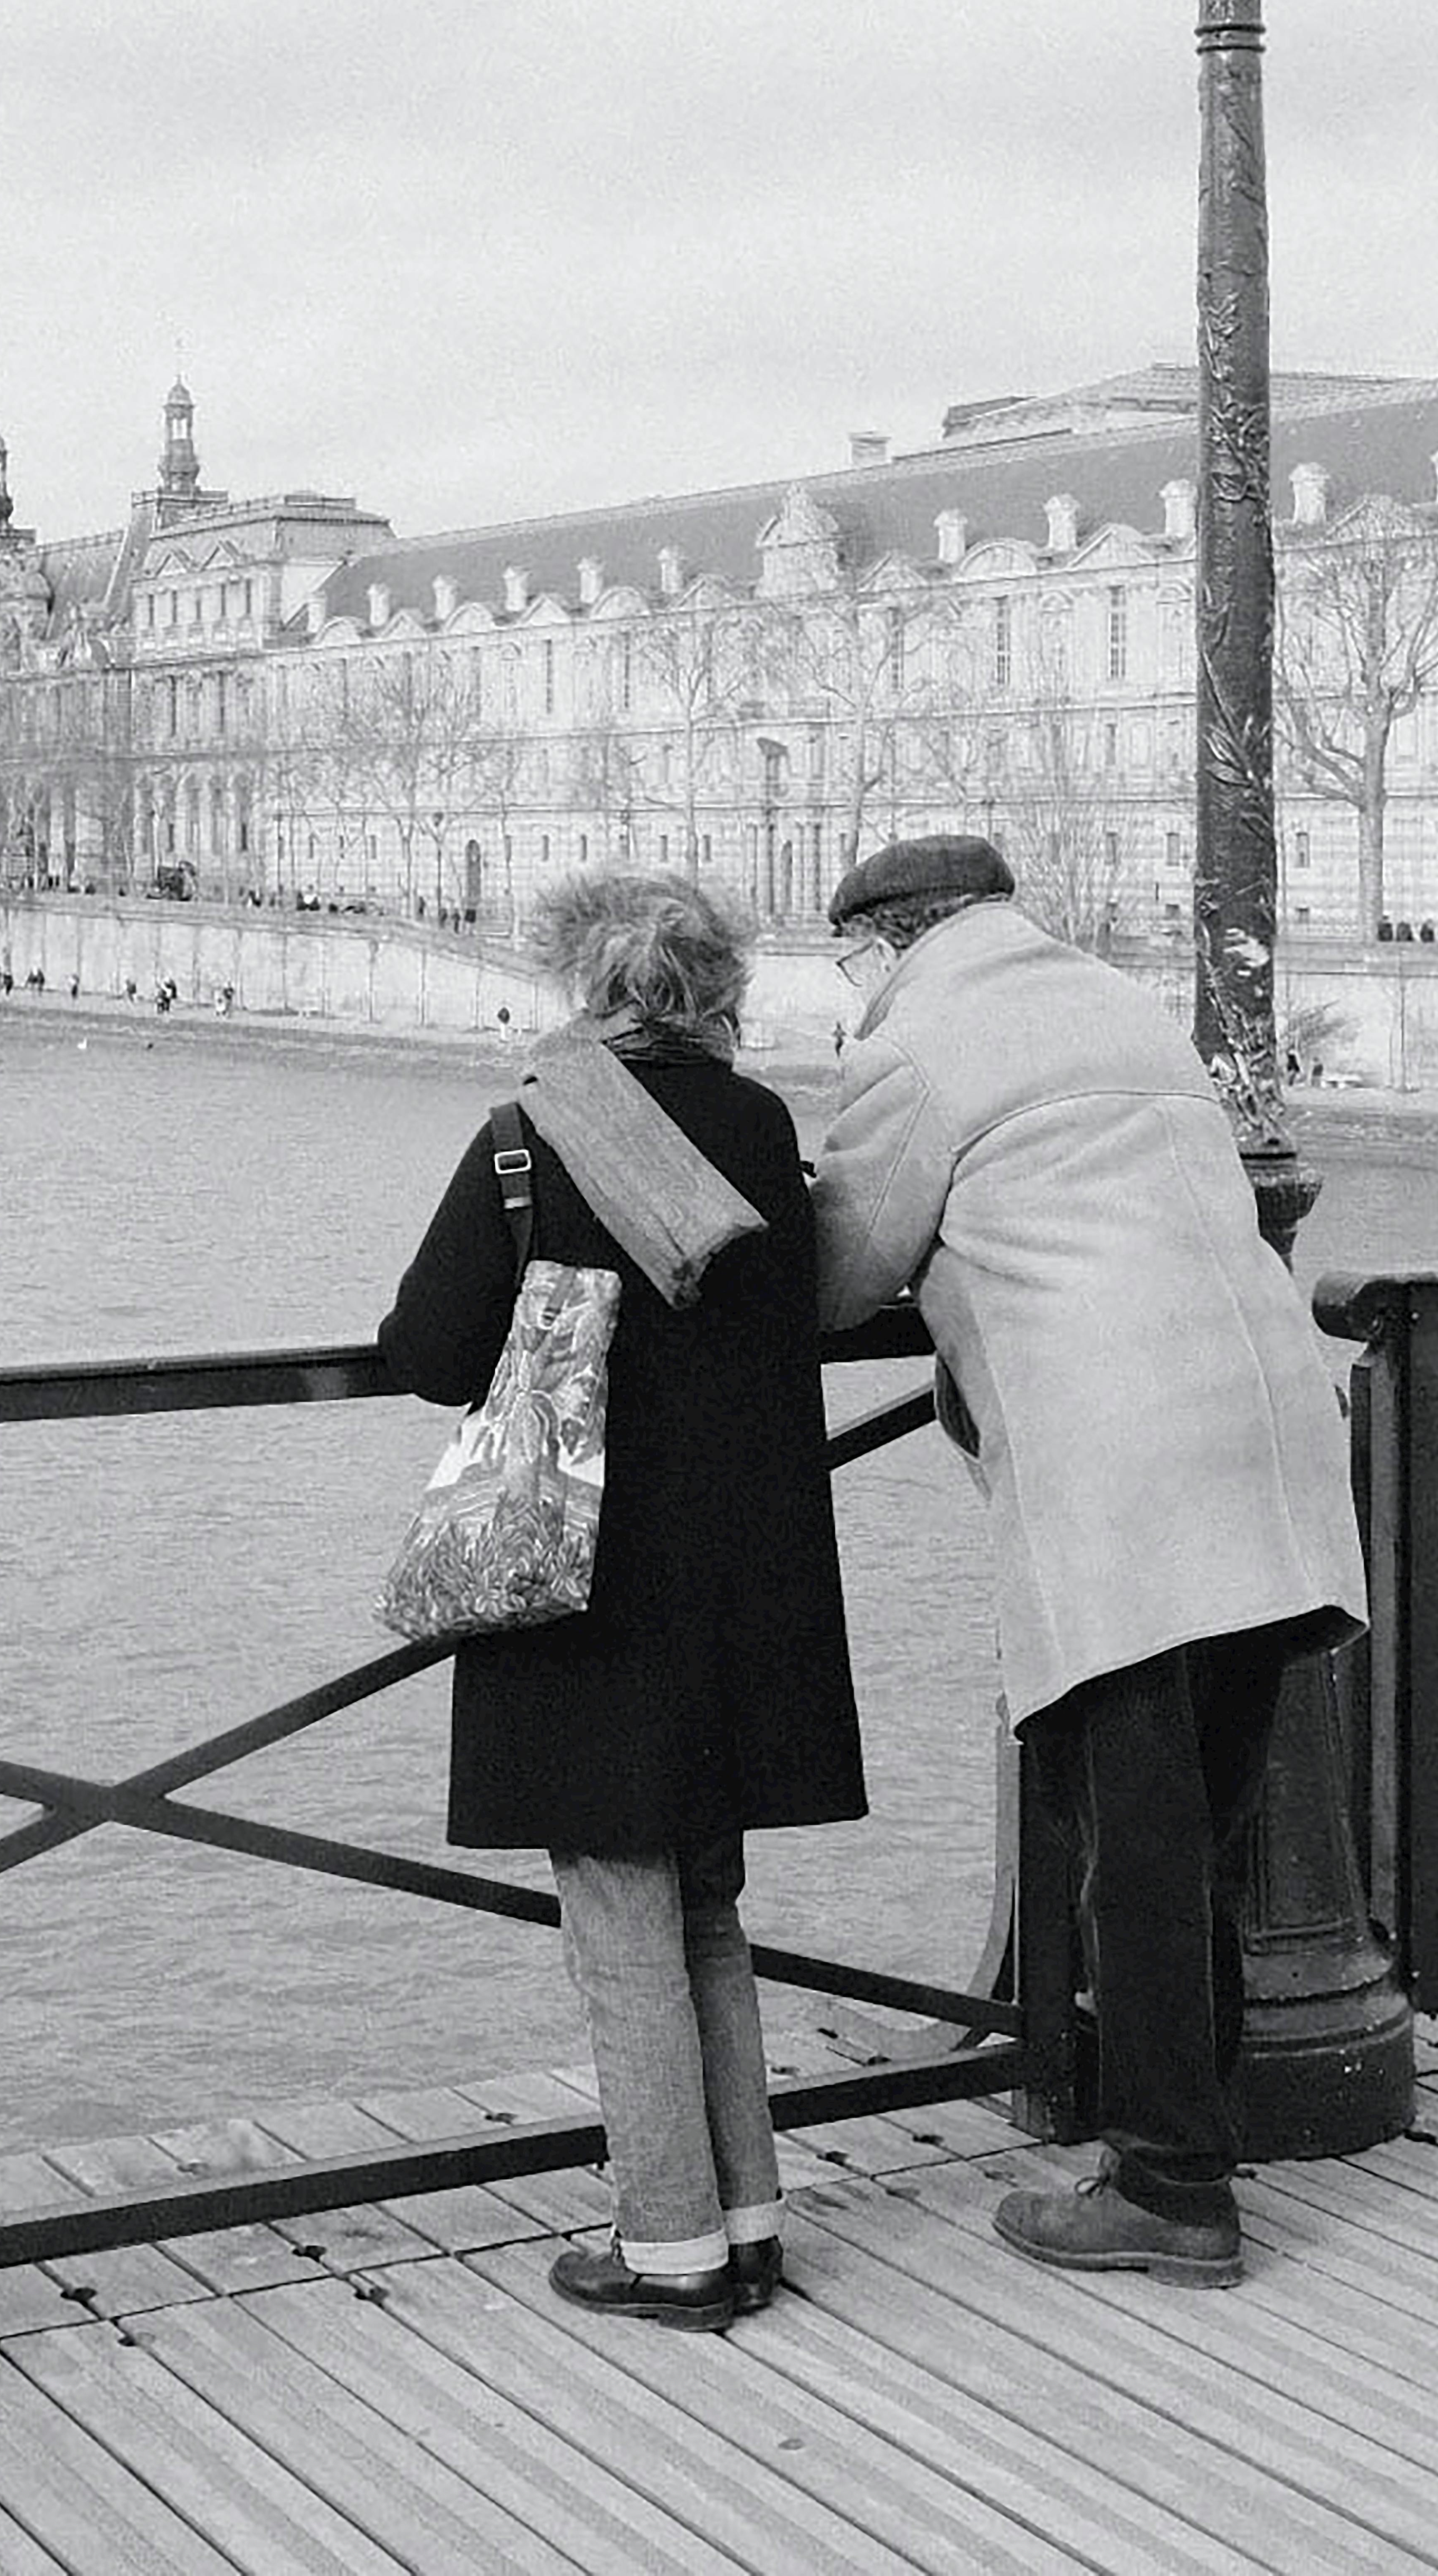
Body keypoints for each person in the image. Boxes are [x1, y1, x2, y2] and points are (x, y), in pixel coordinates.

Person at [809, 835, 1366, 2289]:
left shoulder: (915, 1044)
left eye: (849, 964)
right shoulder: (1124, 1007)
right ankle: (1191, 2134)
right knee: (1213, 1818)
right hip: (1271, 1430)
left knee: (1136, 1831)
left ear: (878, 944)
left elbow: (842, 1269)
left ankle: (1170, 2188)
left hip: (1123, 1462)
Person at [380, 867, 865, 2329]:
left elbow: (425, 1344)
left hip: (584, 1578)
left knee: (616, 1917)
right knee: (705, 1903)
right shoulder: (764, 1126)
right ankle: (748, 2215)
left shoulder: (531, 1130)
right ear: (721, 990)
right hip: (743, 1577)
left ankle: (667, 2249)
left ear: (581, 985)